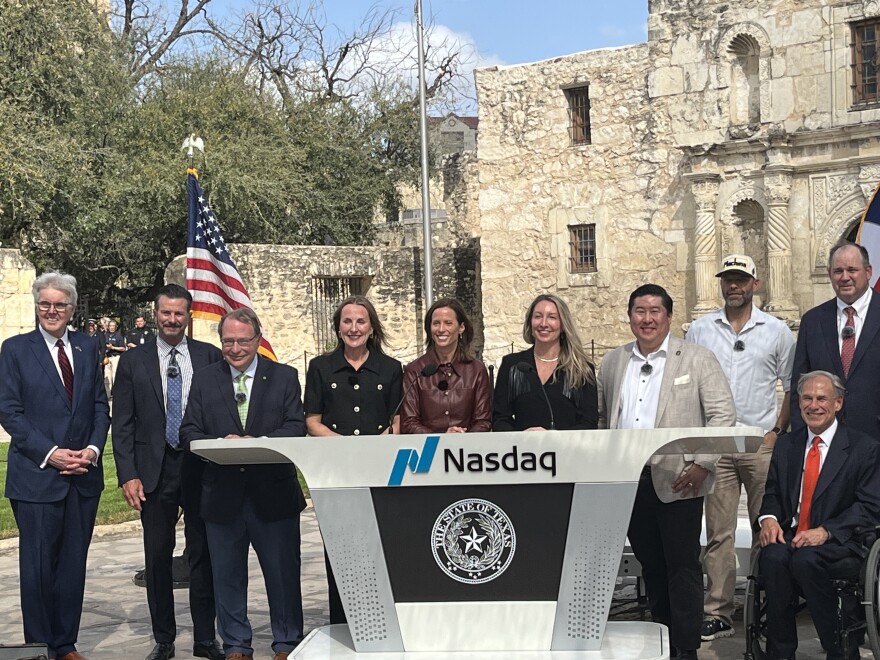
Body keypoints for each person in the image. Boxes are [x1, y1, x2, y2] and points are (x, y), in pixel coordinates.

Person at [597, 283, 734, 660]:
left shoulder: (696, 359)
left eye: (655, 311)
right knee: (651, 566)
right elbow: (603, 418)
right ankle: (662, 637)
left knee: (683, 566)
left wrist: (703, 465)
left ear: (669, 317)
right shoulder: (612, 362)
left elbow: (722, 416)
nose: (647, 318)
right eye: (640, 311)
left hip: (679, 479)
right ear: (630, 317)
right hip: (629, 481)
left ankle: (685, 647)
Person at [180, 307, 306, 660]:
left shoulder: (284, 376)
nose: (235, 348)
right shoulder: (206, 379)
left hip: (273, 495)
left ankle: (286, 642)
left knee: (282, 575)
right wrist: (222, 444)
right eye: (228, 341)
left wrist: (255, 443)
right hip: (222, 496)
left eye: (242, 341)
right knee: (227, 577)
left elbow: (296, 426)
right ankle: (236, 644)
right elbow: (189, 431)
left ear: (257, 339)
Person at [686, 254, 796, 641]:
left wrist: (776, 434)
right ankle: (718, 610)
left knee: (770, 525)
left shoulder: (777, 331)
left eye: (741, 280)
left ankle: (771, 600)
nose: (734, 286)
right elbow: (687, 384)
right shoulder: (700, 330)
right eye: (728, 280)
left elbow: (791, 386)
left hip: (759, 442)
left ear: (755, 284)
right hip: (717, 442)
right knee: (718, 531)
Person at [0, 272, 110, 660]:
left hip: (83, 476)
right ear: (36, 306)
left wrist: (93, 451)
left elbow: (99, 404)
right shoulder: (14, 350)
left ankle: (65, 645)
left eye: (59, 304)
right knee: (38, 570)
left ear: (72, 308)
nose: (52, 310)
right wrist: (51, 453)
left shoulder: (87, 346)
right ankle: (40, 647)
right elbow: (9, 412)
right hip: (37, 476)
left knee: (71, 568)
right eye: (45, 303)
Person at [112, 285, 224, 660]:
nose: (172, 320)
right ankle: (164, 638)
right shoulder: (132, 362)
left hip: (200, 467)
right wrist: (128, 473)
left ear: (189, 315)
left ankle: (206, 637)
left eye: (179, 313)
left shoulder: (210, 357)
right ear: (155, 314)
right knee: (157, 556)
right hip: (153, 472)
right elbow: (123, 423)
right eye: (166, 313)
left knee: (202, 555)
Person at [758, 370, 880, 660]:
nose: (814, 405)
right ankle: (781, 652)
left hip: (839, 540)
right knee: (773, 557)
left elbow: (869, 506)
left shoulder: (864, 448)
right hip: (793, 534)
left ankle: (837, 646)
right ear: (799, 403)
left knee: (805, 560)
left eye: (822, 398)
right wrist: (769, 519)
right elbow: (772, 492)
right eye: (807, 398)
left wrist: (825, 531)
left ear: (838, 403)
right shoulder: (787, 445)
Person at [304, 295, 402, 624]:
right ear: (338, 327)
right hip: (337, 473)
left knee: (379, 548)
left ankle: (380, 620)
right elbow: (312, 421)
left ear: (371, 328)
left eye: (361, 321)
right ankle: (342, 624)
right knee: (341, 548)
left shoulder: (391, 369)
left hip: (378, 471)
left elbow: (397, 421)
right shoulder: (320, 367)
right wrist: (346, 447)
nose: (354, 328)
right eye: (347, 321)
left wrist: (372, 449)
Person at [791, 240, 880, 436]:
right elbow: (799, 383)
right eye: (838, 271)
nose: (845, 277)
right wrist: (799, 438)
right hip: (826, 442)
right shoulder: (813, 321)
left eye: (852, 270)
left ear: (868, 272)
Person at [493, 293, 598, 431]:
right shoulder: (513, 366)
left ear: (563, 324)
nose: (543, 324)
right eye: (538, 316)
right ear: (530, 322)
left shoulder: (582, 369)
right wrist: (520, 436)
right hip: (522, 450)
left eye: (552, 317)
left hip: (567, 451)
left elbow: (589, 423)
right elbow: (499, 419)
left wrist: (552, 438)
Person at [400, 298, 491, 434]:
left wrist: (462, 438)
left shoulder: (477, 370)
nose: (441, 329)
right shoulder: (415, 370)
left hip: (466, 451)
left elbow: (483, 421)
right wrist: (440, 439)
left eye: (448, 323)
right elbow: (409, 421)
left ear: (461, 327)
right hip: (427, 450)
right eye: (436, 323)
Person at [104, 319, 126, 398]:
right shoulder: (105, 335)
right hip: (107, 357)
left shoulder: (118, 335)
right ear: (108, 327)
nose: (112, 327)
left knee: (115, 376)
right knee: (107, 376)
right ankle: (107, 394)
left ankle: (117, 394)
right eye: (110, 326)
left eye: (113, 326)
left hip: (116, 357)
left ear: (116, 327)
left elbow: (123, 348)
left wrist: (113, 347)